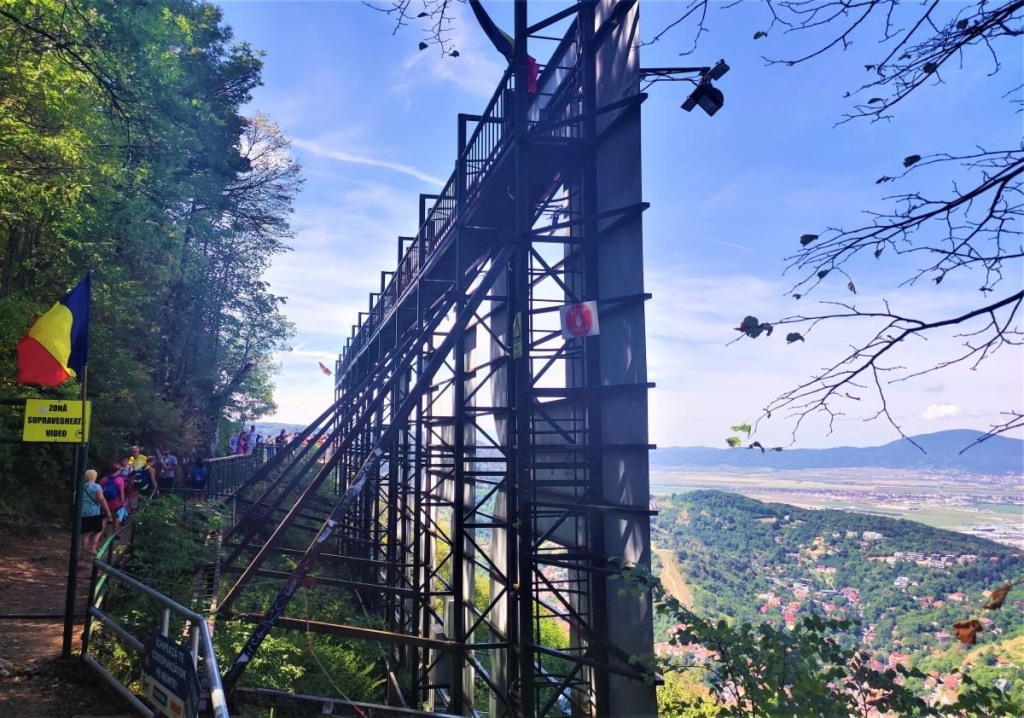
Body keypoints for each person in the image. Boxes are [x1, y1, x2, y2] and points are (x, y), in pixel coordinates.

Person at [81, 469, 112, 560]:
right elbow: (101, 499)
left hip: (83, 511)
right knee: (98, 530)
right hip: (94, 512)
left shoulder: (82, 486)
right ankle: (93, 548)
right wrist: (107, 511)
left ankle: (83, 554)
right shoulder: (96, 487)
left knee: (86, 534)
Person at [99, 462, 126, 536]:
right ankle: (114, 535)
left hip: (105, 501)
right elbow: (121, 492)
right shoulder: (119, 479)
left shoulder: (104, 478)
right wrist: (123, 502)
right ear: (117, 470)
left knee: (104, 518)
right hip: (116, 502)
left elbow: (99, 489)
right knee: (116, 518)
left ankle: (101, 534)